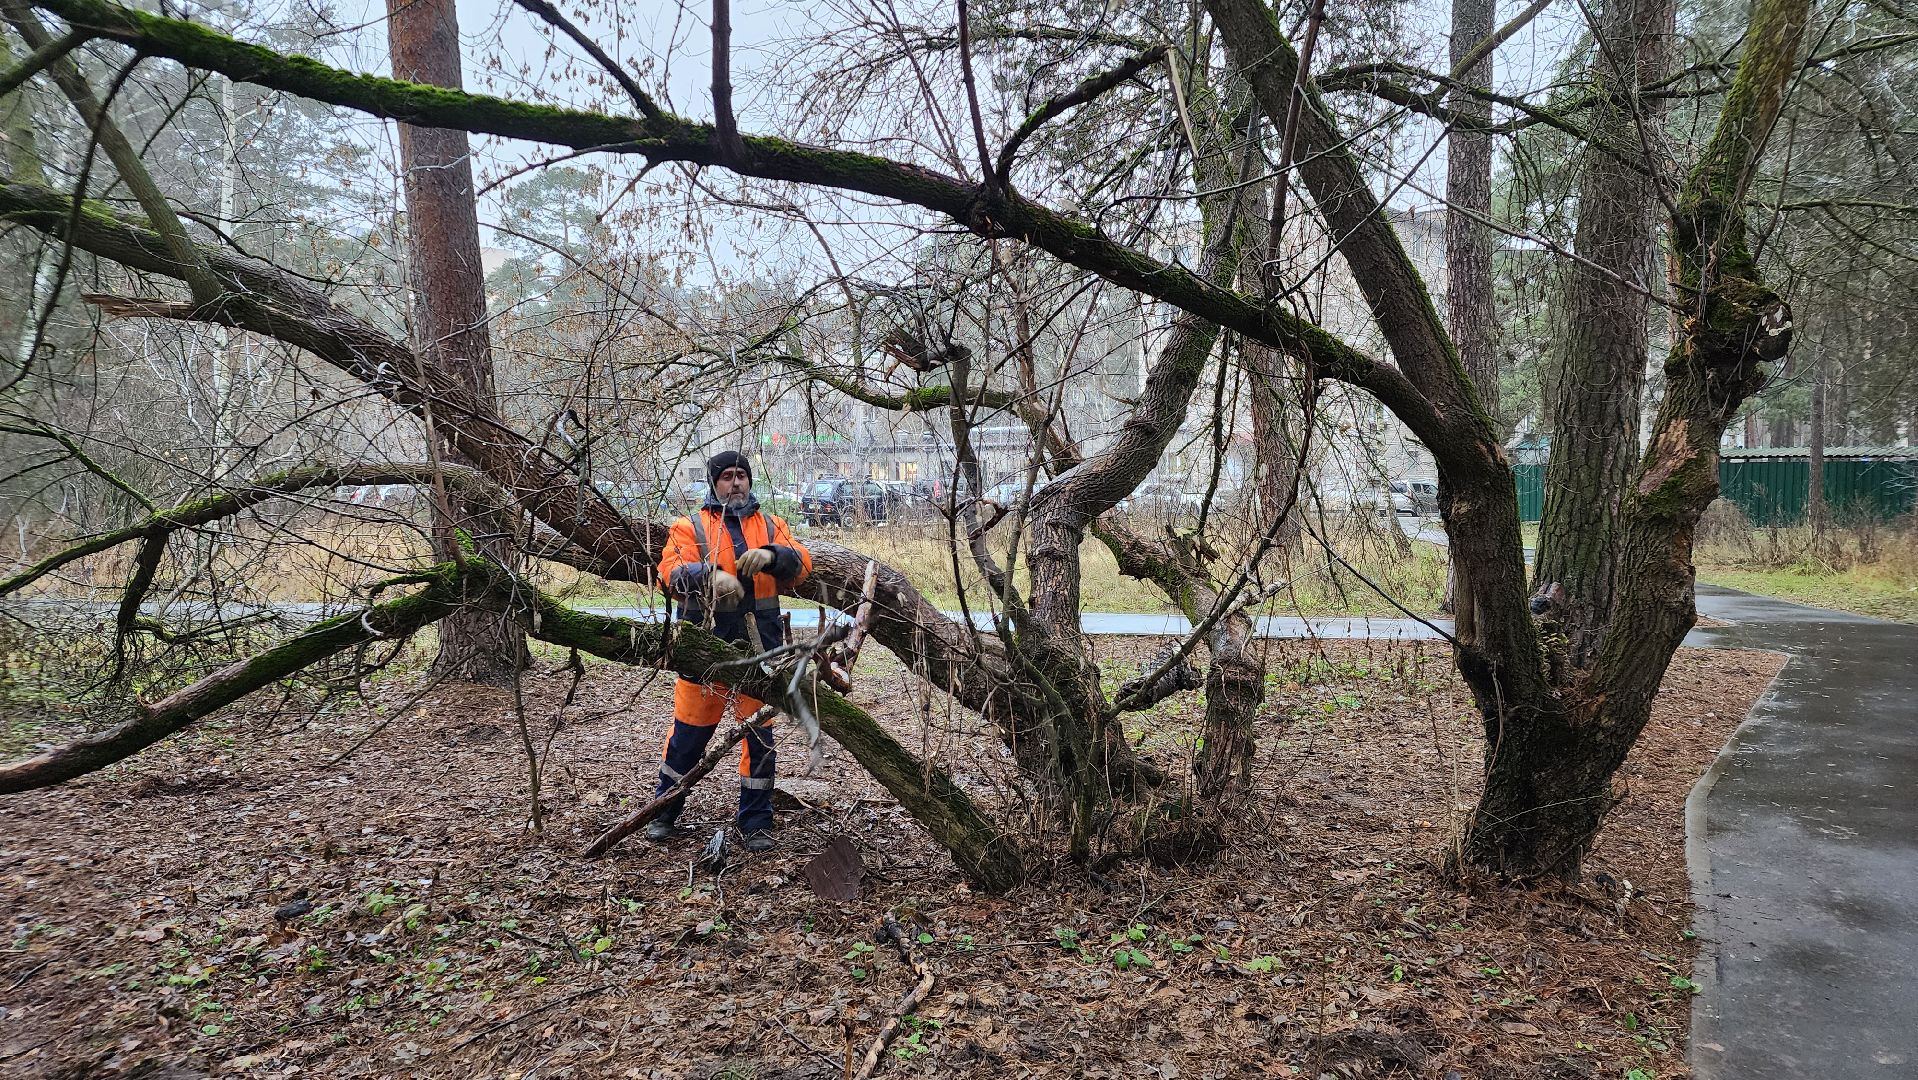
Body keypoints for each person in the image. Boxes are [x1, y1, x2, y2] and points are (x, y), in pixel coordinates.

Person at [648, 450, 812, 851]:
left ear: (749, 480)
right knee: (687, 739)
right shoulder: (690, 527)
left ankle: (756, 823)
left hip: (761, 653)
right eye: (726, 477)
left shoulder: (771, 525)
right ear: (714, 483)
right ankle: (663, 813)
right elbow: (668, 574)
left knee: (759, 742)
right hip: (705, 654)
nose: (735, 483)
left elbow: (803, 564)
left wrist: (773, 556)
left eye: (741, 476)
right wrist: (709, 576)